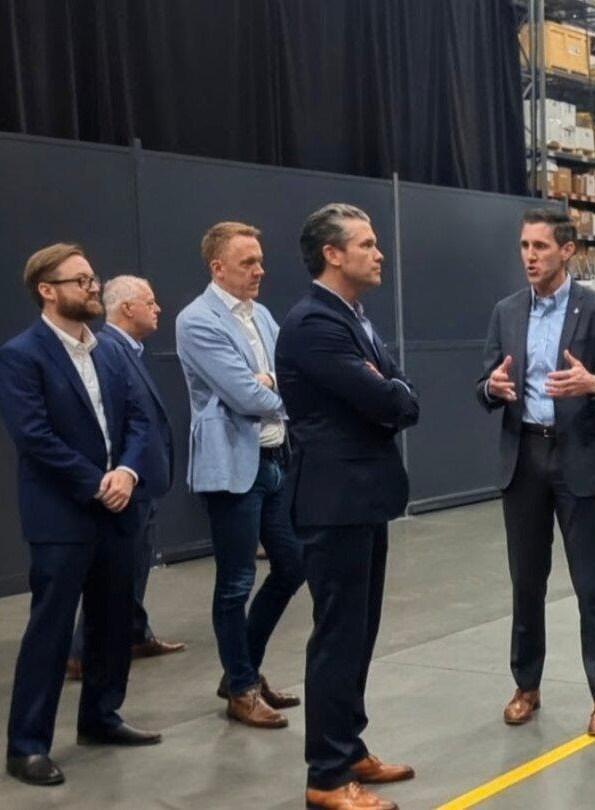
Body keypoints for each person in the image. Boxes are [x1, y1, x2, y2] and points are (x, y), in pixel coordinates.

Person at [0, 244, 161, 787]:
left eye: (94, 278)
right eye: (81, 280)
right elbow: (34, 438)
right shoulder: (21, 355)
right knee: (50, 631)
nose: (93, 288)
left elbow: (139, 420)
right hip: (62, 518)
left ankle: (100, 717)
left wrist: (129, 474)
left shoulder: (111, 351)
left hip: (118, 508)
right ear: (47, 289)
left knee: (113, 623)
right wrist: (96, 483)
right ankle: (27, 747)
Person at [276, 203, 419, 810]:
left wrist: (388, 389)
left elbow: (400, 393)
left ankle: (349, 745)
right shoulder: (314, 324)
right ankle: (327, 777)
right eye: (365, 244)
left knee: (358, 633)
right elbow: (382, 397)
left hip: (363, 499)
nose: (378, 253)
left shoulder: (353, 318)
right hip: (333, 502)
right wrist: (387, 390)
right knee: (337, 637)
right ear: (332, 254)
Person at [477, 208, 595, 736]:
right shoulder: (505, 311)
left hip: (578, 460)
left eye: (540, 246)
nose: (529, 256)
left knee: (591, 584)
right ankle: (526, 685)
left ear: (567, 251)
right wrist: (491, 390)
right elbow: (485, 385)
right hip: (523, 459)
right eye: (524, 246)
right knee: (526, 583)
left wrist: (593, 386)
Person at [175, 222, 305, 729]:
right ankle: (243, 686)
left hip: (273, 461)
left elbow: (282, 377)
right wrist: (272, 386)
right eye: (248, 261)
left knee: (292, 567)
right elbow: (246, 396)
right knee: (235, 583)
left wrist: (270, 381)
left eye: (260, 259)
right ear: (218, 268)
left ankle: (240, 673)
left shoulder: (264, 315)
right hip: (232, 469)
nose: (260, 269)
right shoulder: (197, 321)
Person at [66, 276, 184, 680]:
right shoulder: (109, 351)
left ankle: (135, 632)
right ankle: (81, 653)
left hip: (142, 480)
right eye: (150, 302)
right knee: (116, 569)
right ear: (127, 309)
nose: (158, 309)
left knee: (136, 564)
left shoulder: (128, 350)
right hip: (126, 482)